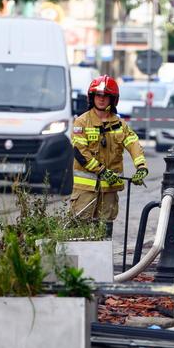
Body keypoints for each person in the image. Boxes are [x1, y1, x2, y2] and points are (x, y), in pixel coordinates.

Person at [70, 75, 148, 238]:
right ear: (92, 97)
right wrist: (102, 171)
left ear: (113, 99)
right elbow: (80, 152)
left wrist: (141, 167)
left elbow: (133, 144)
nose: (102, 99)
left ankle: (103, 262)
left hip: (109, 190)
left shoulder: (120, 125)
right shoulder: (82, 122)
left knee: (105, 230)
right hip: (85, 190)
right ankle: (80, 262)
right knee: (79, 229)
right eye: (98, 95)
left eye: (106, 96)